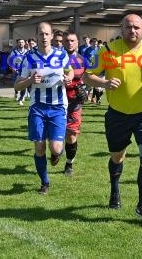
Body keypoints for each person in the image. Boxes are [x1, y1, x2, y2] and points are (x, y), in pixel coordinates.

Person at [83, 14, 142, 226]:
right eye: (128, 27)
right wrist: (104, 82)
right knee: (118, 157)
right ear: (122, 28)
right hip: (118, 114)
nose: (132, 31)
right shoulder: (108, 50)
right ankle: (115, 191)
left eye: (137, 27)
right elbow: (87, 76)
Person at [14, 22, 74, 195]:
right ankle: (45, 182)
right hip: (37, 106)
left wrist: (68, 78)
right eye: (41, 34)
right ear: (36, 36)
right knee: (39, 147)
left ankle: (57, 154)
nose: (44, 37)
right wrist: (30, 80)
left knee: (55, 148)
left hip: (58, 106)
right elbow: (18, 86)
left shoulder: (61, 55)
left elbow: (69, 72)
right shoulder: (29, 57)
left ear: (51, 36)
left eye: (47, 34)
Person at [62, 30, 87, 176]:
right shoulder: (56, 59)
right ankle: (56, 151)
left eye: (72, 40)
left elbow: (89, 77)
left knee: (71, 135)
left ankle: (69, 164)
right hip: (56, 101)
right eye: (67, 40)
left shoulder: (83, 60)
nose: (70, 43)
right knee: (56, 136)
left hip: (74, 102)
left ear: (77, 42)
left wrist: (86, 89)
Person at [9, 38, 29, 105]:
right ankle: (16, 93)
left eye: (22, 42)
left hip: (24, 70)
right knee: (16, 83)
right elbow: (11, 60)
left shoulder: (27, 51)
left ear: (24, 43)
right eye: (19, 42)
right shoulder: (14, 52)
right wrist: (12, 67)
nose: (21, 43)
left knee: (23, 83)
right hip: (16, 70)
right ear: (17, 43)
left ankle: (21, 97)